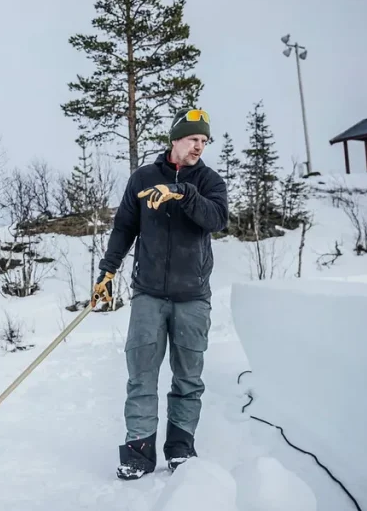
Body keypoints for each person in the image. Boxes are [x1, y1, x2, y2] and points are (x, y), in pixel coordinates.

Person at [91, 108, 229, 480]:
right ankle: (138, 451)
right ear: (175, 139)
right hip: (148, 295)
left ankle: (181, 448)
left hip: (192, 297)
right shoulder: (143, 178)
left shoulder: (210, 181)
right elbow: (124, 227)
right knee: (141, 376)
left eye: (204, 140)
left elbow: (217, 219)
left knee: (188, 379)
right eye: (193, 139)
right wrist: (108, 270)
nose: (199, 146)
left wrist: (181, 192)